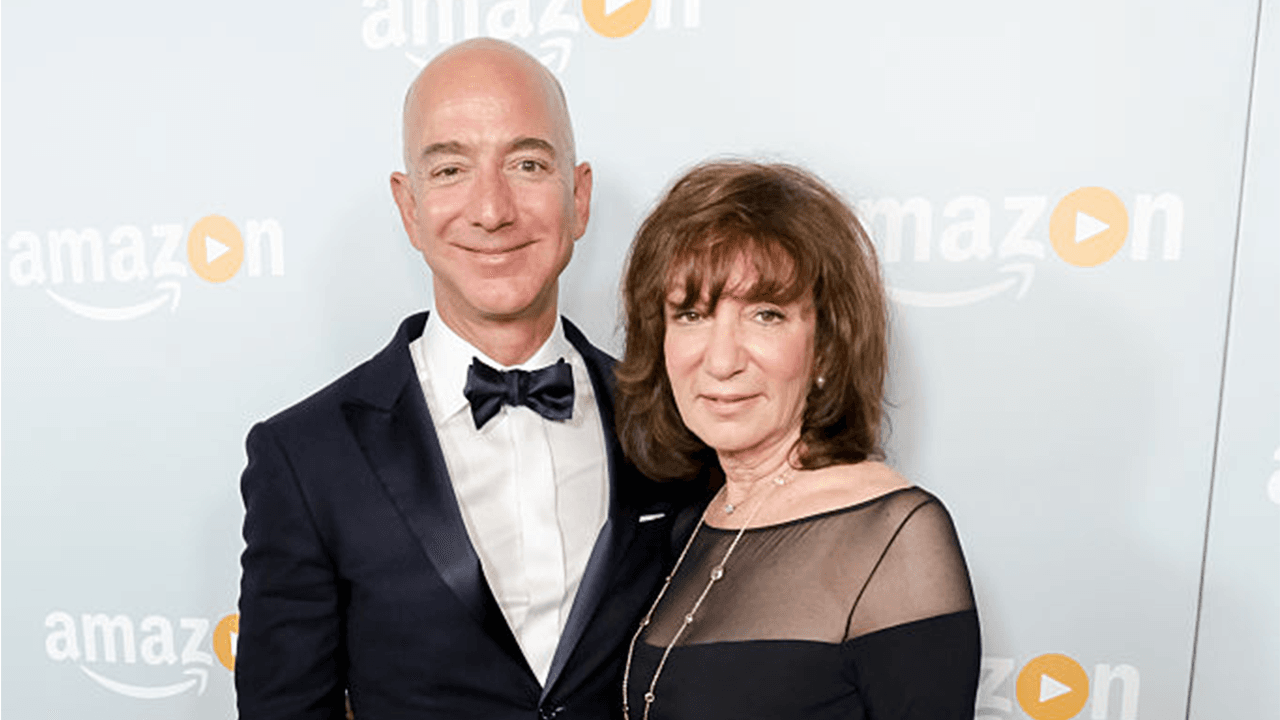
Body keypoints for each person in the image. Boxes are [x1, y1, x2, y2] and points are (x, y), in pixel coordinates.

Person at [235, 38, 692, 719]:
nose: (492, 209)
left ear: (579, 196)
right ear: (410, 208)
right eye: (450, 170)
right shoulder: (306, 457)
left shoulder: (673, 419)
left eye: (528, 164)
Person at [614, 160, 981, 719]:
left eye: (765, 315)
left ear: (827, 347)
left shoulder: (894, 538)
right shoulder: (697, 517)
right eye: (691, 314)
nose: (721, 360)